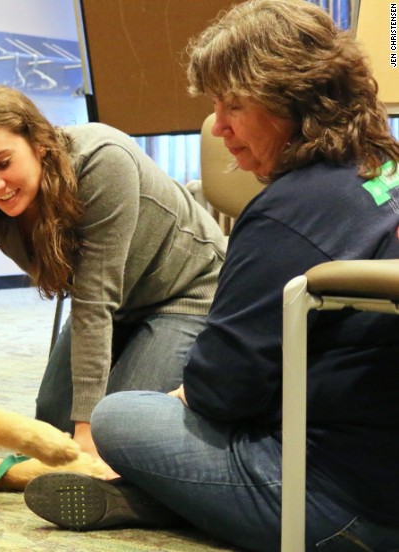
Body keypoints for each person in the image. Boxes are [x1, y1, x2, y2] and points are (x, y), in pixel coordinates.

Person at [22, 1, 399, 550]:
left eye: (233, 105)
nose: (218, 126)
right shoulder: (381, 165)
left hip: (332, 506)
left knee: (120, 417)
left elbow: (222, 392)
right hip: (379, 475)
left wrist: (183, 396)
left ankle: (155, 498)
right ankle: (168, 498)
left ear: (292, 99)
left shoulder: (287, 213)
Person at [0, 84, 226, 471]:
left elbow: (94, 302)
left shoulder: (103, 161)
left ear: (38, 144)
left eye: (3, 163)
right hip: (119, 302)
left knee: (117, 430)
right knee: (54, 420)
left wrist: (89, 434)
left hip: (183, 292)